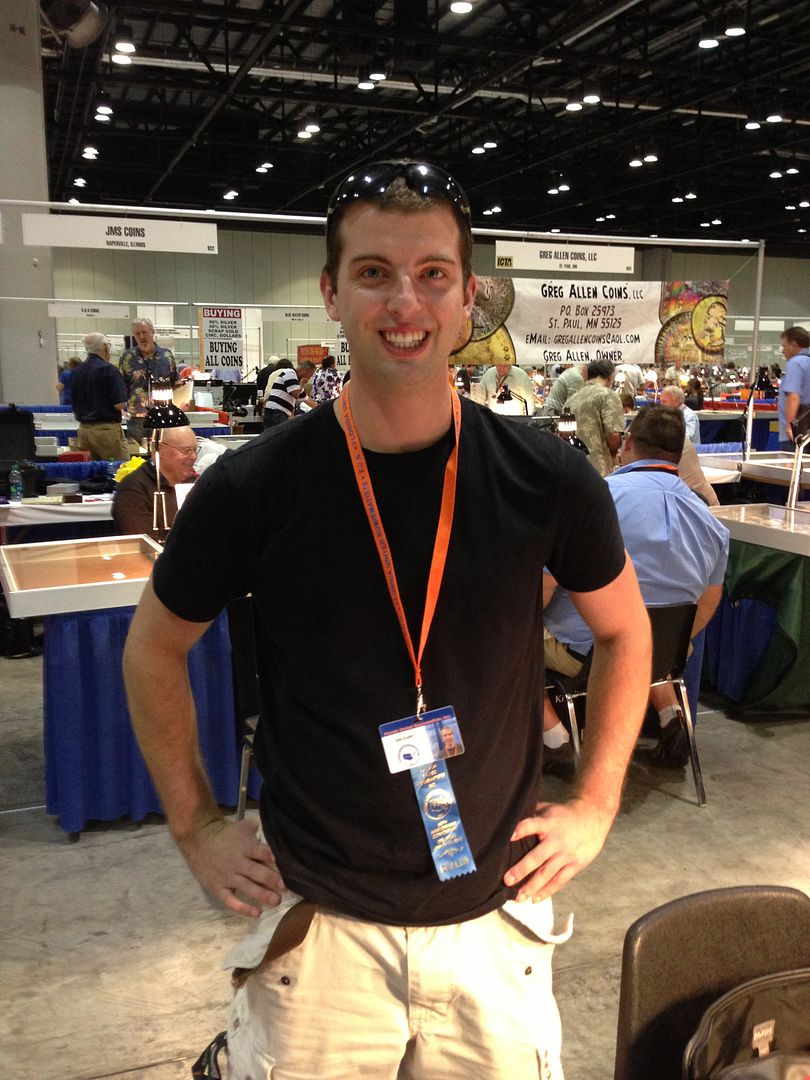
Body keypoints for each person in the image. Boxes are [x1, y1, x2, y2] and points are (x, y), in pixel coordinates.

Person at [122, 159, 651, 1080]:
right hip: (321, 930)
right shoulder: (255, 487)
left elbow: (626, 631)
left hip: (495, 921)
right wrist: (195, 825)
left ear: (467, 296)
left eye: (432, 273)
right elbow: (153, 651)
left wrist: (598, 803)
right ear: (332, 292)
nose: (405, 302)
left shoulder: (546, 478)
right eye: (374, 272)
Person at [543, 405, 729, 772]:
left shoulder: (594, 498)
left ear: (627, 442)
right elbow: (710, 600)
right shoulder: (711, 522)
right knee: (642, 637)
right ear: (678, 453)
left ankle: (555, 739)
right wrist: (671, 641)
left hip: (585, 651)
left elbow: (546, 584)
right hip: (662, 655)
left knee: (509, 641)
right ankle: (671, 716)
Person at [113, 422, 198, 540]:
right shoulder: (133, 489)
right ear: (161, 450)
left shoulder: (196, 483)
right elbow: (144, 544)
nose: (193, 456)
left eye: (195, 450)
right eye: (186, 450)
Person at [70, 333, 130, 462]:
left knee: (91, 471)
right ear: (105, 347)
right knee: (117, 469)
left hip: (83, 431)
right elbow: (119, 404)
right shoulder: (109, 370)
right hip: (106, 432)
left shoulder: (77, 371)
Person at [119, 318, 179, 446]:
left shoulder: (167, 356)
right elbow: (121, 386)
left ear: (152, 332)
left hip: (163, 416)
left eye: (144, 332)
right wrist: (122, 409)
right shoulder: (127, 357)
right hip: (136, 418)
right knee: (137, 454)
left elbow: (175, 383)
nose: (142, 336)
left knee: (164, 451)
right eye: (137, 333)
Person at [567, 359, 625, 476]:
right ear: (611, 377)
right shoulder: (608, 395)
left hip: (572, 467)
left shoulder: (571, 400)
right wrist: (614, 456)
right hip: (598, 469)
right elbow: (614, 436)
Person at [777, 326, 810, 450]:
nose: (783, 350)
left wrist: (790, 427)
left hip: (795, 434)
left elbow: (793, 396)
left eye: (784, 346)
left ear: (794, 344)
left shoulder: (795, 363)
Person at [260, 361, 301, 428]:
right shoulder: (289, 373)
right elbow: (294, 394)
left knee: (270, 430)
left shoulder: (272, 373)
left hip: (268, 402)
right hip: (279, 406)